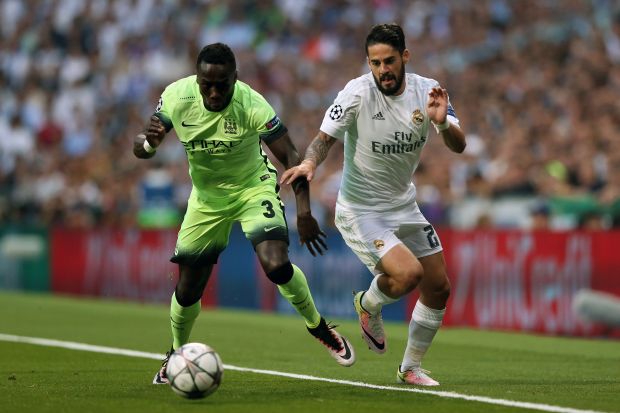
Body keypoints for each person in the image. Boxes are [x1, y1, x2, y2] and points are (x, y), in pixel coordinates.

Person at [133, 43, 356, 384]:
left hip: (254, 188)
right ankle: (177, 354)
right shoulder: (177, 97)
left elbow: (291, 155)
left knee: (277, 264)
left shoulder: (251, 103)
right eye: (207, 83)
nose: (214, 91)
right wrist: (148, 143)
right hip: (206, 200)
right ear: (197, 77)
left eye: (222, 83)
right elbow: (142, 148)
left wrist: (304, 212)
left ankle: (319, 327)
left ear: (235, 78)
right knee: (189, 288)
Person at [281, 23, 466, 386]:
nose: (383, 69)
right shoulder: (356, 93)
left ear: (405, 58)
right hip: (360, 209)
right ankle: (368, 304)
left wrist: (443, 125)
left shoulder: (428, 91)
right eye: (375, 62)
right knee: (408, 275)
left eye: (389, 61)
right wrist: (309, 164)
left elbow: (459, 145)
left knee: (439, 287)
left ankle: (410, 367)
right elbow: (323, 140)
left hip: (404, 205)